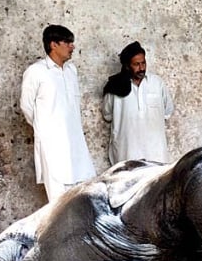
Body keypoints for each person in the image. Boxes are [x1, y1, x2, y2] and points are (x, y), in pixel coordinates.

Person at [19, 25, 96, 202]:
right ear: (53, 45)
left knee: (83, 193)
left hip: (76, 142)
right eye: (67, 42)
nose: (72, 46)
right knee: (59, 201)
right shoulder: (36, 72)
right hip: (52, 146)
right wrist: (45, 129)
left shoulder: (71, 71)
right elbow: (26, 106)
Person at [102, 41, 175, 166]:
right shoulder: (115, 86)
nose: (141, 68)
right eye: (136, 64)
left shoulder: (157, 83)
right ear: (126, 66)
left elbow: (167, 110)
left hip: (156, 152)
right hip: (126, 152)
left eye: (143, 63)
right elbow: (107, 114)